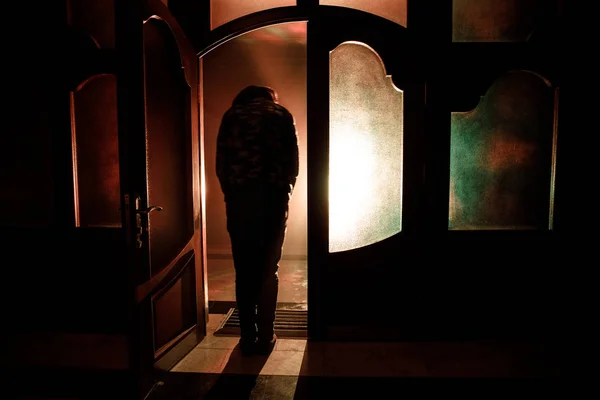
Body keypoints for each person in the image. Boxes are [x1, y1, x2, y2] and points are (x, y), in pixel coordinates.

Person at [216, 85, 299, 356]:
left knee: (244, 269)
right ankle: (266, 334)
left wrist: (233, 193)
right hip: (273, 201)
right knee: (268, 268)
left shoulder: (232, 116)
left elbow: (221, 164)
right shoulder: (281, 115)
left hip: (240, 202)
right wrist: (284, 191)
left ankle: (247, 337)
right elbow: (293, 164)